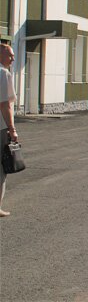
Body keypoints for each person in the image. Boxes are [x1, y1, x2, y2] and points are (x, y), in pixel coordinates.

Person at [0, 43, 18, 217]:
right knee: (1, 167)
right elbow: (5, 105)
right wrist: (12, 129)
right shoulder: (3, 74)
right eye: (10, 55)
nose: (13, 58)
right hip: (0, 126)